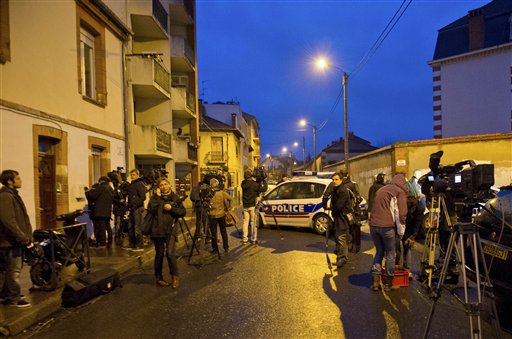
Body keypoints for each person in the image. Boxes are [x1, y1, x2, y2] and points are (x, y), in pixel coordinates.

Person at [369, 173, 408, 292]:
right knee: (391, 253)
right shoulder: (399, 192)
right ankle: (388, 283)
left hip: (373, 225)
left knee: (379, 251)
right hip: (387, 227)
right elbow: (401, 214)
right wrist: (401, 231)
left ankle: (375, 282)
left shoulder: (381, 189)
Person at [0, 170, 33, 307]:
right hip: (10, 241)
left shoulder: (12, 195)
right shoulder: (6, 197)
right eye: (18, 178)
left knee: (9, 269)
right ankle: (13, 298)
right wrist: (22, 237)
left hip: (13, 240)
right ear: (10, 181)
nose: (21, 180)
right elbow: (8, 220)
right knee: (14, 270)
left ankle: (6, 294)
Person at [147, 178, 185, 288]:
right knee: (159, 254)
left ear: (169, 185)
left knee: (170, 253)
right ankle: (158, 278)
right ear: (159, 187)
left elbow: (182, 212)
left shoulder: (175, 197)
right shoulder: (155, 198)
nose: (164, 186)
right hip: (157, 230)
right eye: (161, 185)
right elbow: (151, 209)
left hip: (171, 229)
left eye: (166, 184)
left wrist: (171, 208)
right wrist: (158, 198)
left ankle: (175, 277)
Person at [322, 172, 354, 267]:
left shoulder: (343, 190)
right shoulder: (335, 189)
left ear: (341, 180)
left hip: (342, 218)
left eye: (336, 179)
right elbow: (327, 196)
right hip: (338, 217)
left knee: (341, 238)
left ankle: (342, 259)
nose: (334, 181)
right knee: (340, 238)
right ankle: (341, 256)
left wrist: (331, 208)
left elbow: (339, 206)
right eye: (333, 180)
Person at [396, 196, 424, 276]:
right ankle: (396, 266)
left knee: (407, 247)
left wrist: (412, 236)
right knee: (396, 247)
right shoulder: (402, 205)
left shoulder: (420, 209)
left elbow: (417, 223)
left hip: (410, 228)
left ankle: (407, 268)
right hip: (400, 225)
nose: (410, 211)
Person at [86, 176, 115, 248]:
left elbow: (93, 196)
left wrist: (87, 192)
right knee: (108, 226)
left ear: (101, 181)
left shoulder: (101, 187)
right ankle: (110, 241)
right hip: (107, 211)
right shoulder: (110, 188)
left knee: (101, 227)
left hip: (100, 211)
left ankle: (102, 243)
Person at [340, 168, 363, 253]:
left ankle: (351, 246)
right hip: (355, 211)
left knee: (349, 229)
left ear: (341, 175)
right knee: (356, 229)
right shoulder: (353, 185)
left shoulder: (343, 186)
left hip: (348, 211)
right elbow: (359, 198)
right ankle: (357, 246)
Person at [208, 178, 232, 256]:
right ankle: (226, 247)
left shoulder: (209, 193)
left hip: (212, 215)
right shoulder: (222, 193)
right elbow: (230, 198)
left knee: (213, 232)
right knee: (223, 231)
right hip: (221, 214)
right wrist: (227, 207)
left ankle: (215, 248)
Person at [126, 169, 147, 251]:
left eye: (134, 174)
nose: (132, 176)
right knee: (131, 227)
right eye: (131, 175)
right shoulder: (132, 184)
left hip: (138, 208)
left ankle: (139, 245)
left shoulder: (139, 184)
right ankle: (132, 244)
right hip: (133, 208)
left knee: (137, 227)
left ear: (138, 175)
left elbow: (143, 197)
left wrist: (135, 204)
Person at [241, 169, 263, 245]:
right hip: (253, 206)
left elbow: (246, 182)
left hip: (245, 206)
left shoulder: (243, 184)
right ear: (251, 176)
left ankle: (244, 239)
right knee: (253, 222)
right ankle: (253, 239)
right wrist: (260, 180)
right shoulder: (254, 184)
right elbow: (262, 189)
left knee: (245, 222)